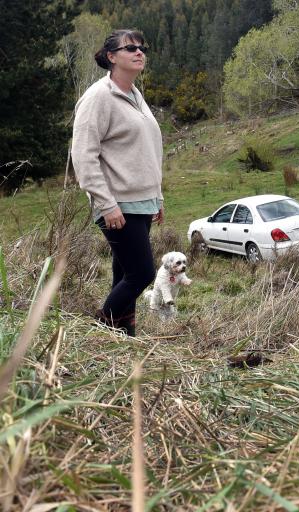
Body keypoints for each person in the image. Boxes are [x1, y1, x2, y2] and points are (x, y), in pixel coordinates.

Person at [71, 29, 163, 336]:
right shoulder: (98, 97)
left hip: (141, 201)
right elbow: (83, 156)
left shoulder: (136, 95)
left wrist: (157, 197)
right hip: (117, 203)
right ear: (112, 57)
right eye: (130, 48)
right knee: (141, 273)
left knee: (124, 272)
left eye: (142, 47)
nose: (139, 52)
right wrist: (106, 204)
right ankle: (97, 333)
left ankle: (122, 336)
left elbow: (146, 151)